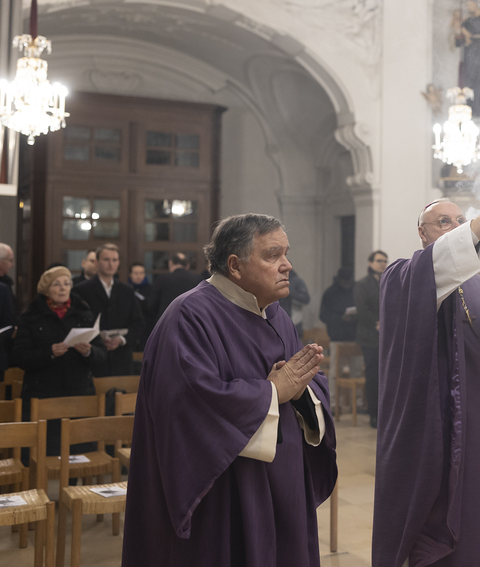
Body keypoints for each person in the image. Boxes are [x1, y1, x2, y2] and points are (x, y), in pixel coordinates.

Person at [122, 213, 337, 567]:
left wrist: (301, 391)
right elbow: (188, 407)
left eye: (286, 253)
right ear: (235, 266)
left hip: (283, 482)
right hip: (224, 489)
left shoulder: (276, 315)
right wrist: (271, 393)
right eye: (273, 255)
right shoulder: (189, 316)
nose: (287, 265)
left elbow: (301, 381)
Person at [373, 189, 480, 567]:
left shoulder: (479, 283)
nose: (456, 227)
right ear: (422, 232)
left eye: (460, 221)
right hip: (433, 422)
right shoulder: (402, 275)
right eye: (443, 221)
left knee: (478, 510)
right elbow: (441, 261)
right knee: (437, 504)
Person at [9, 266, 105, 452]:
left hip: (78, 392)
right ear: (46, 290)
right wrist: (49, 352)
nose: (63, 288)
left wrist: (89, 351)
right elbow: (19, 357)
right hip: (43, 392)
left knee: (78, 450)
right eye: (57, 284)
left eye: (67, 283)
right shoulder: (31, 317)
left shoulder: (83, 313)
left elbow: (101, 353)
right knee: (45, 450)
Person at [76, 243, 145, 377]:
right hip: (93, 358)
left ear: (118, 263)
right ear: (96, 262)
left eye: (114, 260)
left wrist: (121, 339)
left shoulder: (127, 290)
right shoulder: (81, 290)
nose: (111, 264)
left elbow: (138, 323)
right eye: (106, 259)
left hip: (122, 359)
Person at [354, 250, 387, 428]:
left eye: (385, 261)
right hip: (369, 337)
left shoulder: (388, 282)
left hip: (386, 336)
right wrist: (377, 322)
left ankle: (385, 414)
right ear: (370, 263)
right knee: (373, 376)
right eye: (379, 260)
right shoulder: (362, 285)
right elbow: (362, 309)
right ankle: (373, 414)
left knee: (386, 376)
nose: (382, 264)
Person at [146, 252, 202, 323]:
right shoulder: (198, 279)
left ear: (170, 263)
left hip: (167, 322)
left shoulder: (162, 279)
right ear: (188, 265)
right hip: (190, 322)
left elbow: (152, 305)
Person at [319, 267, 357, 342]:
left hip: (356, 334)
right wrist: (340, 318)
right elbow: (323, 315)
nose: (347, 284)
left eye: (349, 281)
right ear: (339, 280)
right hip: (337, 334)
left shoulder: (357, 290)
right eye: (344, 281)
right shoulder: (330, 293)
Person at [277, 268, 310, 339]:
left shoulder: (296, 281)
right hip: (277, 322)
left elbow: (306, 299)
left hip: (294, 322)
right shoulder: (275, 280)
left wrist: (289, 292)